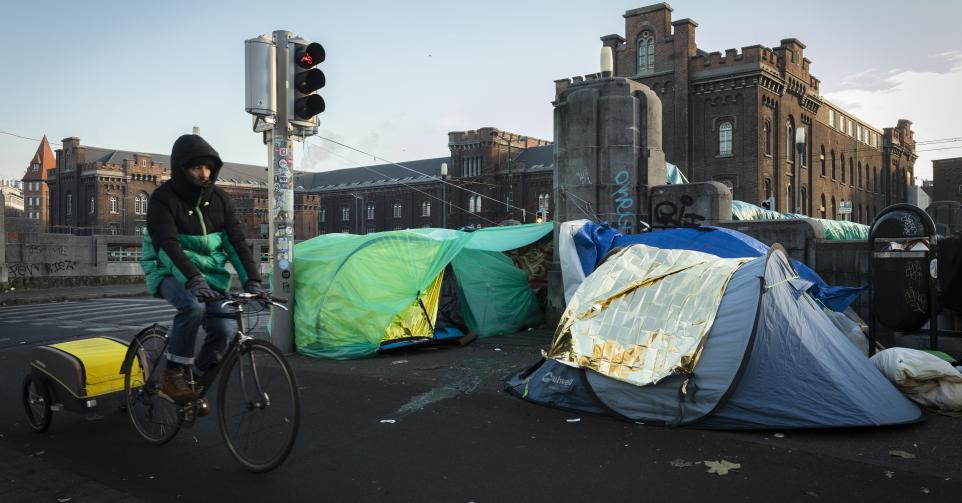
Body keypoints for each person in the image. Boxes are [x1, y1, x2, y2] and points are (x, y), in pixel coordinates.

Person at [140, 134, 265, 405]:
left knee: (224, 330)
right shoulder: (163, 198)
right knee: (192, 307)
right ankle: (172, 375)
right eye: (197, 167)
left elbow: (236, 243)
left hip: (208, 276)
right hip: (166, 269)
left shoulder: (220, 200)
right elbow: (167, 244)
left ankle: (194, 379)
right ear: (181, 168)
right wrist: (193, 280)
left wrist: (253, 281)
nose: (204, 173)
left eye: (208, 168)